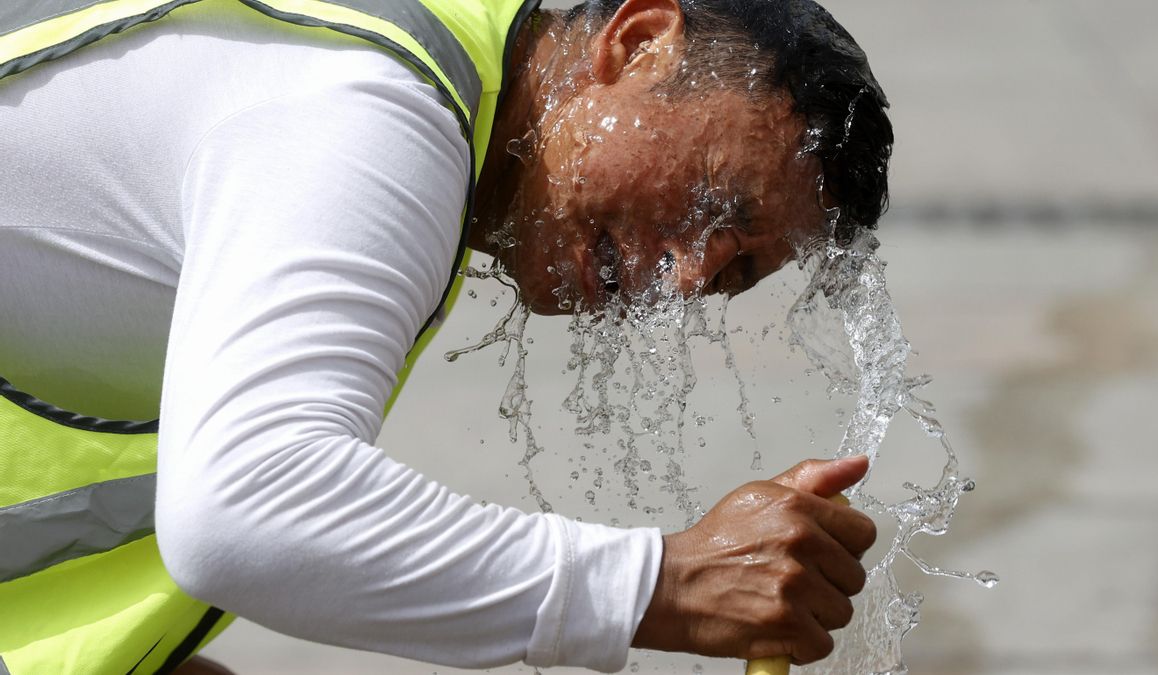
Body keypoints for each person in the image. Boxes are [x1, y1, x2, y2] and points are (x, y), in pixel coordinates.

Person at [0, 0, 891, 672]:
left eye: (733, 273)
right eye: (713, 203)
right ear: (639, 42)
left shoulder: (424, 71)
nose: (690, 276)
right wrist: (662, 583)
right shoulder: (381, 112)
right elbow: (242, 510)